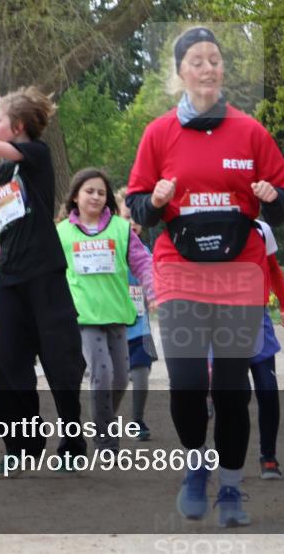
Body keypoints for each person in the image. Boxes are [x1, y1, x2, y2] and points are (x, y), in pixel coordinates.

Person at [126, 26, 284, 527]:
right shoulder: (159, 134)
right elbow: (139, 206)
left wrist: (271, 198)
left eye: (215, 60)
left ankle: (231, 488)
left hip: (240, 269)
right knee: (183, 383)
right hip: (178, 270)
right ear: (179, 72)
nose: (208, 67)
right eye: (196, 60)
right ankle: (194, 465)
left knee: (229, 387)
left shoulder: (251, 131)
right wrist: (154, 200)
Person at [0, 87, 87, 472]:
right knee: (5, 363)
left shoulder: (36, 153)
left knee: (60, 361)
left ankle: (72, 444)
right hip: (13, 279)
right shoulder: (4, 172)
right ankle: (22, 446)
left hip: (45, 275)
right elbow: (11, 224)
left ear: (17, 126)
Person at [57, 169, 155, 452]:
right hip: (84, 316)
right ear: (76, 195)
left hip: (117, 313)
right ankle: (105, 439)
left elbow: (142, 264)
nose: (96, 197)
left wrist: (153, 292)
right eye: (90, 191)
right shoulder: (62, 232)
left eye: (101, 192)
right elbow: (49, 271)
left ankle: (102, 417)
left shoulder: (120, 229)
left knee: (121, 377)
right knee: (102, 373)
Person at [250, 221, 284, 480]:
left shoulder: (261, 228)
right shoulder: (206, 219)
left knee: (267, 389)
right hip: (220, 320)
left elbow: (273, 268)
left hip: (257, 317)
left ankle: (269, 456)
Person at [116, 187, 159, 442]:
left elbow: (152, 277)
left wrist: (154, 296)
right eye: (127, 216)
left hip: (140, 325)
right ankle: (105, 419)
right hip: (113, 324)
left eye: (137, 219)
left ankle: (137, 419)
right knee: (113, 378)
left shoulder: (146, 253)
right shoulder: (109, 248)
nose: (133, 223)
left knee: (142, 371)